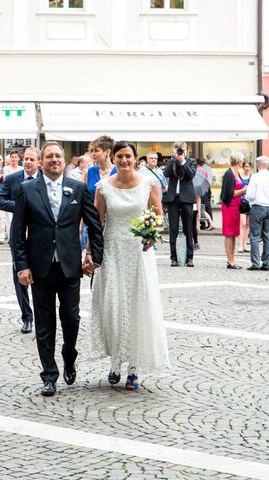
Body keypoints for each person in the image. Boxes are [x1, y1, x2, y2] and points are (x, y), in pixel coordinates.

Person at [12, 141, 103, 397]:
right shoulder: (26, 190)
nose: (54, 159)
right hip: (39, 268)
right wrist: (22, 266)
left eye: (58, 156)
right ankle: (49, 376)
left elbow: (94, 225)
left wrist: (94, 255)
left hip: (70, 266)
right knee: (44, 324)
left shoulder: (78, 188)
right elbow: (17, 234)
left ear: (64, 161)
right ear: (41, 162)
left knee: (71, 319)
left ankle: (69, 355)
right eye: (49, 156)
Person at [89, 141, 169, 390]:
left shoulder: (148, 183)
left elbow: (157, 212)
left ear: (135, 159)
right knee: (112, 306)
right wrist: (91, 253)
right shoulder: (102, 187)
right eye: (120, 156)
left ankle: (133, 366)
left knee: (137, 306)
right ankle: (115, 362)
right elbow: (96, 222)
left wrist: (151, 233)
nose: (124, 160)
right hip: (112, 251)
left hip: (138, 252)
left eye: (129, 156)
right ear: (113, 158)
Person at [0, 146, 41, 334]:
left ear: (39, 162)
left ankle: (42, 315)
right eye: (26, 159)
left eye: (32, 159)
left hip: (39, 235)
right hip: (19, 234)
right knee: (19, 274)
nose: (28, 162)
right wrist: (20, 207)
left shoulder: (44, 179)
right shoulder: (13, 179)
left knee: (40, 275)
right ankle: (27, 317)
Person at [163, 141, 197, 267]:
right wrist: (173, 161)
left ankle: (189, 258)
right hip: (173, 198)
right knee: (173, 229)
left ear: (186, 149)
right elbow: (166, 174)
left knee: (188, 228)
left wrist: (182, 161)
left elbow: (191, 174)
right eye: (177, 149)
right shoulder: (171, 161)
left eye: (181, 148)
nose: (179, 151)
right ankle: (173, 257)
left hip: (187, 198)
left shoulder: (191, 161)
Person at [246, 156, 269, 271]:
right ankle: (266, 262)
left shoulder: (255, 177)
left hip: (258, 207)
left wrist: (249, 199)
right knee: (267, 235)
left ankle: (255, 263)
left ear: (258, 165)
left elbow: (250, 195)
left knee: (255, 236)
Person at [219, 152, 247, 269]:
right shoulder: (229, 174)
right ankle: (230, 260)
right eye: (242, 161)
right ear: (239, 162)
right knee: (229, 234)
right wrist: (244, 191)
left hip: (236, 206)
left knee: (234, 234)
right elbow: (229, 194)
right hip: (229, 206)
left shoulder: (236, 173)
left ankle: (232, 259)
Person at [238, 158, 252, 253]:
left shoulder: (252, 177)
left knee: (247, 224)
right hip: (242, 202)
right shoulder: (240, 176)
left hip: (250, 202)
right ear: (243, 167)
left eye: (248, 166)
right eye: (245, 166)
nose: (247, 168)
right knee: (242, 224)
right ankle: (240, 245)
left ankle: (245, 244)